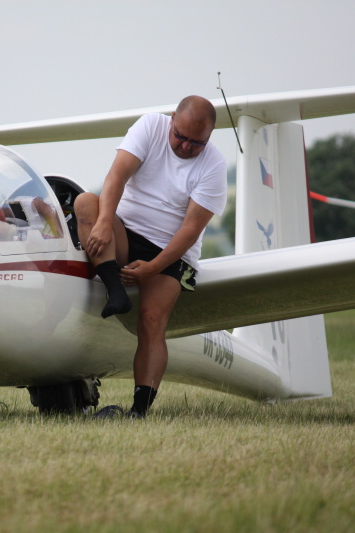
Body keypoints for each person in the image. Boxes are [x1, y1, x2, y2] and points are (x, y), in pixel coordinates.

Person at [74, 95, 227, 418]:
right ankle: (116, 292)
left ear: (210, 137)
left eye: (196, 143)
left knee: (152, 320)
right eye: (180, 136)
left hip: (171, 251)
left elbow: (190, 231)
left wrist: (153, 268)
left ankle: (139, 411)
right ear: (171, 119)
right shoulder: (149, 125)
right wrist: (104, 222)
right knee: (85, 202)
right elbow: (116, 176)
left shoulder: (214, 166)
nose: (186, 147)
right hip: (126, 230)